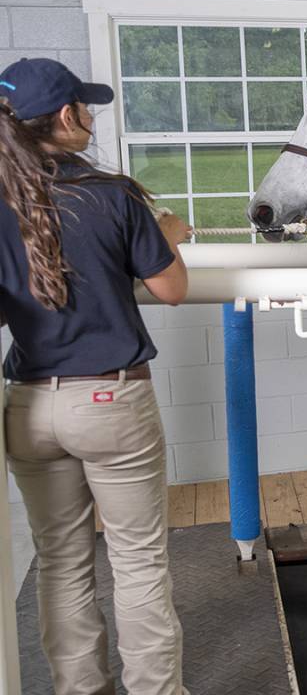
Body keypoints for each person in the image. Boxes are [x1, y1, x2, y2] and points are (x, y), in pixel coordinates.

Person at [0, 57, 192, 695]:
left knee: (60, 562)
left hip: (28, 404)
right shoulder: (111, 194)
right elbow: (170, 289)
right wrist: (169, 235)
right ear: (65, 116)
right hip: (109, 399)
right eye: (85, 106)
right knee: (137, 565)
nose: (89, 117)